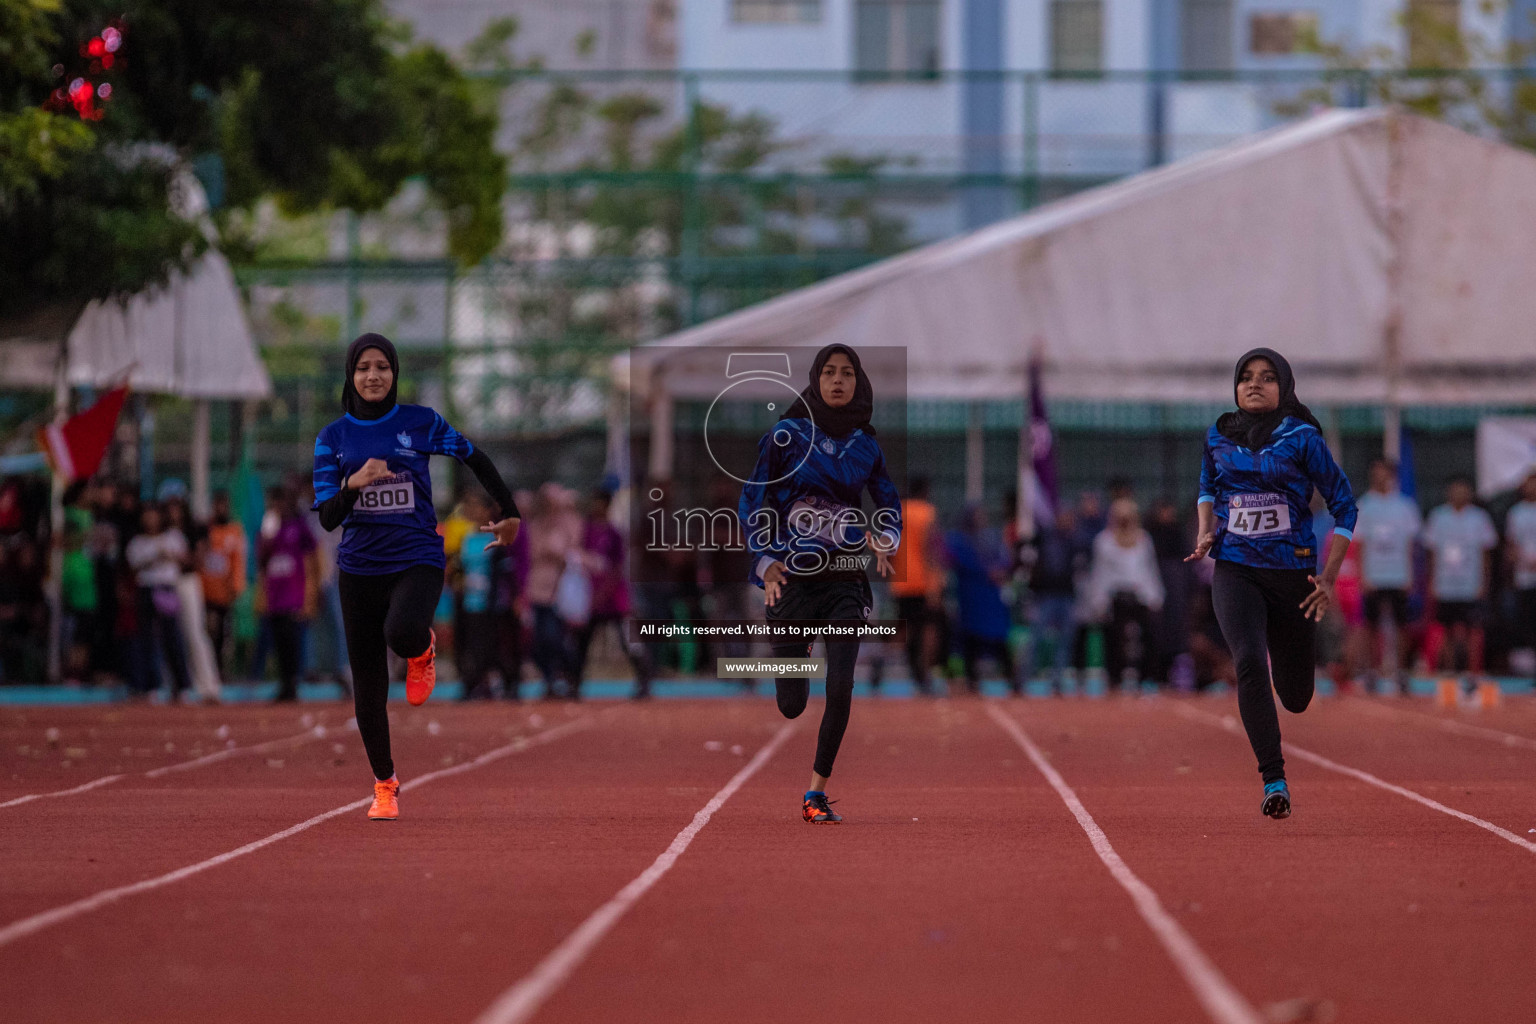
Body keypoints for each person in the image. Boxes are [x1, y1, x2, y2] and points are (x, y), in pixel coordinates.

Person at [311, 333, 520, 821]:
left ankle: (421, 650)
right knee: (368, 681)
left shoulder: (420, 422)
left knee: (402, 632)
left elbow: (474, 455)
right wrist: (353, 484)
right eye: (363, 367)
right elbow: (326, 517)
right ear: (351, 375)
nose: (373, 375)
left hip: (417, 557)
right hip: (359, 567)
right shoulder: (332, 438)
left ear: (395, 373)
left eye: (382, 366)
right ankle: (384, 784)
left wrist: (509, 511)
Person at [1187, 348, 1356, 821]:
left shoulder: (1303, 438)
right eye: (1245, 377)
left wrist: (1328, 575)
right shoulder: (1219, 435)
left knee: (1297, 697)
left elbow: (1345, 506)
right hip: (1236, 569)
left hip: (1294, 578)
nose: (1254, 384)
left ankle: (1293, 692)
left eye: (1266, 377)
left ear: (1284, 385)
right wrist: (1206, 529)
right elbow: (1207, 487)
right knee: (1246, 659)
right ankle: (1273, 778)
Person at [739, 344, 901, 824]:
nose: (837, 380)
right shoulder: (786, 437)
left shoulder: (866, 444)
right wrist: (764, 559)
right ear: (814, 380)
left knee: (842, 685)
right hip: (792, 577)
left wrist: (885, 537)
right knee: (791, 705)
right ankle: (792, 650)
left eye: (847, 373)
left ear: (858, 383)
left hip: (845, 578)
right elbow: (753, 499)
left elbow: (887, 500)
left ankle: (816, 794)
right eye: (828, 372)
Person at [572, 487, 651, 699]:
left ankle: (644, 681)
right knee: (583, 643)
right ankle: (575, 683)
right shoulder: (585, 531)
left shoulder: (614, 533)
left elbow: (618, 568)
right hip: (591, 599)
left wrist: (605, 592)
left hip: (614, 600)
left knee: (627, 642)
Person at [1353, 459, 1422, 693]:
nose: (1380, 476)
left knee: (1401, 626)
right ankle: (1371, 672)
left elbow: (1411, 545)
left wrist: (1410, 575)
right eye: (1376, 472)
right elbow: (1359, 544)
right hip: (1374, 576)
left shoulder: (1405, 506)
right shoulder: (1364, 505)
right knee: (1370, 626)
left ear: (1392, 475)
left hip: (1399, 575)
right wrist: (1363, 576)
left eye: (1384, 472)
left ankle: (1400, 672)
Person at [1422, 475, 1497, 688]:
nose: (1459, 494)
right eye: (1455, 490)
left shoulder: (1479, 518)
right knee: (1445, 629)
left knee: (1473, 628)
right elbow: (1432, 554)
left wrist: (1484, 581)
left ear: (1470, 493)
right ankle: (1448, 671)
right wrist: (1432, 581)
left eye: (1463, 490)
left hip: (1470, 585)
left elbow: (1485, 554)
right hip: (1445, 584)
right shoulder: (1438, 517)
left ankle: (1473, 672)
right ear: (1449, 492)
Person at [1086, 497, 1164, 690]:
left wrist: (1155, 595)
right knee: (1113, 639)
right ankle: (1115, 678)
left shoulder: (1143, 540)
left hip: (1139, 595)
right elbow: (1100, 573)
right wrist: (1099, 601)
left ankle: (1146, 677)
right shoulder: (1104, 541)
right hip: (1116, 596)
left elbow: (1149, 569)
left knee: (1148, 637)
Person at [124, 501, 195, 700]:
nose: (150, 519)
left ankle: (181, 686)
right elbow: (133, 567)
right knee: (146, 641)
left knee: (173, 639)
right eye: (146, 515)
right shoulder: (137, 542)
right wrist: (154, 558)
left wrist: (170, 555)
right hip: (146, 590)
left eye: (154, 514)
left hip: (167, 590)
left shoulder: (173, 537)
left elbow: (187, 561)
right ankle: (149, 686)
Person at [945, 503, 1017, 695]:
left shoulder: (991, 537)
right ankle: (971, 679)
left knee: (999, 638)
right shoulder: (958, 539)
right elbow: (956, 559)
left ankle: (1013, 678)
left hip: (992, 598)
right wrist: (987, 571)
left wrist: (1001, 571)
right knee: (970, 638)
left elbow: (1006, 559)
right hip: (971, 596)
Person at [258, 485, 318, 702]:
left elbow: (312, 559)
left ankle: (293, 683)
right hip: (275, 596)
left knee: (293, 643)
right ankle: (284, 683)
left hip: (293, 595)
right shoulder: (269, 529)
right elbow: (261, 561)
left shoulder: (299, 527)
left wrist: (310, 595)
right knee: (278, 644)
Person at [889, 475, 943, 695]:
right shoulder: (927, 513)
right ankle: (923, 676)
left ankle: (884, 665)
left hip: (901, 582)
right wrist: (936, 580)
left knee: (906, 630)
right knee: (925, 632)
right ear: (925, 491)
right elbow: (931, 548)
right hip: (922, 582)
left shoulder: (897, 511)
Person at [1029, 507, 1082, 693]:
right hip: (1045, 595)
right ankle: (1026, 677)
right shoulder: (1045, 538)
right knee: (1036, 638)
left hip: (1066, 595)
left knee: (1065, 641)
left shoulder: (1074, 540)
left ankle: (1058, 680)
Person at [200, 489, 246, 679]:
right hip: (206, 592)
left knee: (223, 636)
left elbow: (238, 560)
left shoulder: (234, 531)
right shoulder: (206, 530)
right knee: (209, 633)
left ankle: (220, 670)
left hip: (224, 593)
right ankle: (210, 671)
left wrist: (236, 586)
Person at [1506, 472, 1536, 687]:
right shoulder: (1516, 513)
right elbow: (1511, 544)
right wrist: (1522, 561)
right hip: (1525, 576)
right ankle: (1529, 671)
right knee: (1528, 623)